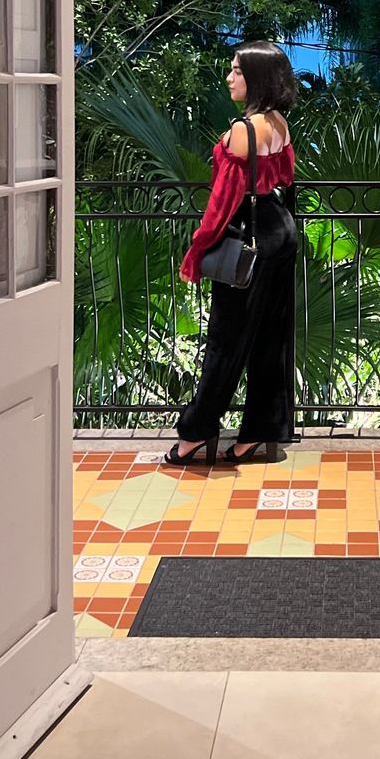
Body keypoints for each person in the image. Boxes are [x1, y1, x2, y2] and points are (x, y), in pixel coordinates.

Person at [163, 40, 298, 467]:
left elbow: (222, 202)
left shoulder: (244, 130)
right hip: (279, 229)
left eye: (237, 71)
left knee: (226, 339)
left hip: (247, 234)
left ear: (255, 77)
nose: (229, 78)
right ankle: (260, 430)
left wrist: (197, 250)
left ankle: (195, 432)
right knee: (269, 338)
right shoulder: (278, 122)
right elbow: (286, 177)